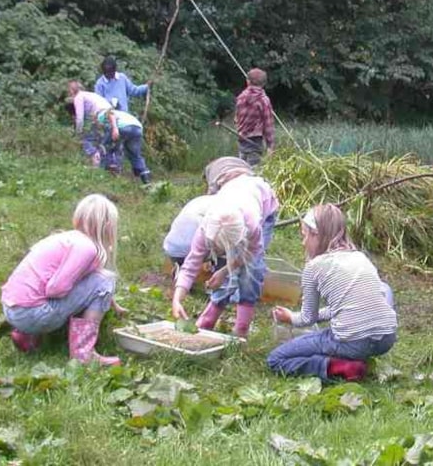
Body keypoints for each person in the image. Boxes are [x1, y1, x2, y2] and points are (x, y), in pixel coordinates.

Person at [267, 204, 398, 382]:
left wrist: (291, 317)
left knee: (276, 359)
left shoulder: (313, 267)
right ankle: (359, 351)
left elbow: (307, 319)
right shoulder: (360, 257)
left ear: (316, 233)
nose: (302, 242)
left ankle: (338, 367)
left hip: (352, 343)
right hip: (386, 339)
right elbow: (343, 307)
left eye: (304, 236)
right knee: (383, 289)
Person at [0, 194, 124, 365]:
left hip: (12, 309)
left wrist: (112, 303)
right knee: (106, 280)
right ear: (108, 225)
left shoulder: (66, 238)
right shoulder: (87, 248)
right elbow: (56, 289)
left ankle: (26, 336)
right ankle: (83, 353)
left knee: (100, 279)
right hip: (32, 315)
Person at [170, 173, 279, 337]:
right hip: (234, 194)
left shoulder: (252, 224)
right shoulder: (206, 227)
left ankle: (242, 327)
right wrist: (177, 299)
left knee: (252, 271)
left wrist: (225, 271)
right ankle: (210, 315)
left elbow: (252, 254)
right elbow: (191, 265)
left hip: (262, 200)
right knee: (228, 267)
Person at [65, 80, 113, 167]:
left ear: (71, 90)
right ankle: (108, 165)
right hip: (111, 114)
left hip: (100, 115)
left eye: (68, 90)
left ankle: (95, 160)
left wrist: (78, 133)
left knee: (86, 140)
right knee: (102, 141)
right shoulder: (88, 94)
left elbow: (80, 118)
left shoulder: (78, 97)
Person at [97, 108, 151, 184]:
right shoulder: (121, 113)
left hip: (124, 127)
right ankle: (146, 181)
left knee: (107, 146)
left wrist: (115, 128)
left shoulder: (101, 114)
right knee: (135, 155)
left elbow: (110, 114)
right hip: (138, 129)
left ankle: (107, 171)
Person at [234, 68, 275, 166]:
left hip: (242, 138)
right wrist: (270, 145)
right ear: (264, 83)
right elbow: (268, 124)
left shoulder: (241, 97)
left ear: (247, 81)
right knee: (253, 172)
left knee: (242, 169)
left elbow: (236, 119)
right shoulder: (263, 100)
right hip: (255, 140)